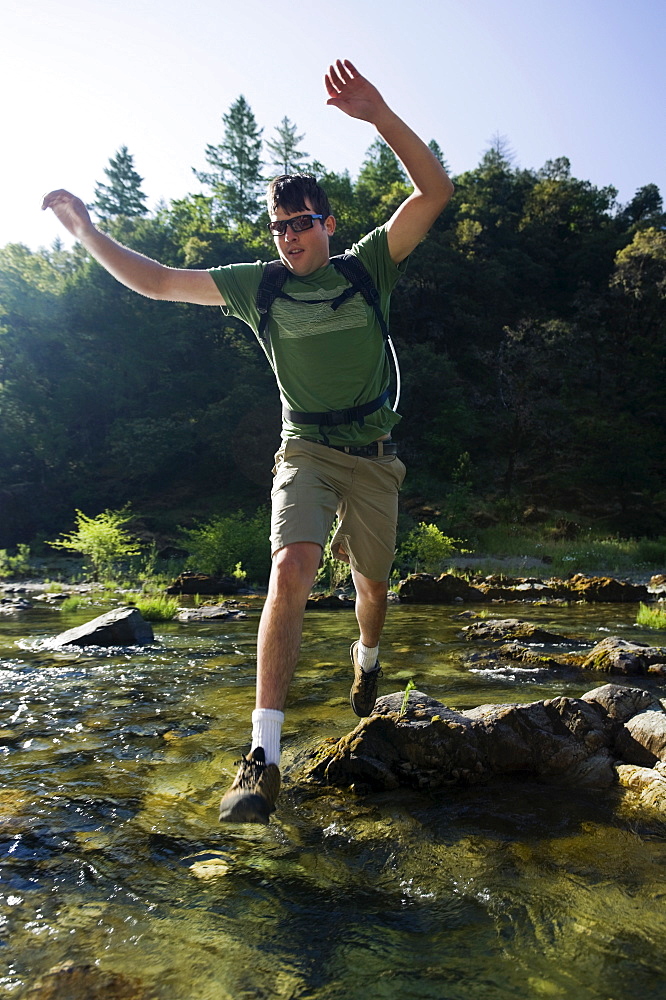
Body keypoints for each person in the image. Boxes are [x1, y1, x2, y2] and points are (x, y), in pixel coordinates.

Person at [43, 58, 454, 824]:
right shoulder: (259, 286)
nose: (290, 236)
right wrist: (90, 232)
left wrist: (380, 116)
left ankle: (366, 664)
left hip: (373, 460)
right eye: (279, 226)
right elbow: (160, 280)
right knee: (291, 567)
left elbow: (434, 193)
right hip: (303, 448)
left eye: (302, 223)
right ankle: (262, 755)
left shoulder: (369, 269)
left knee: (371, 592)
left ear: (328, 224)